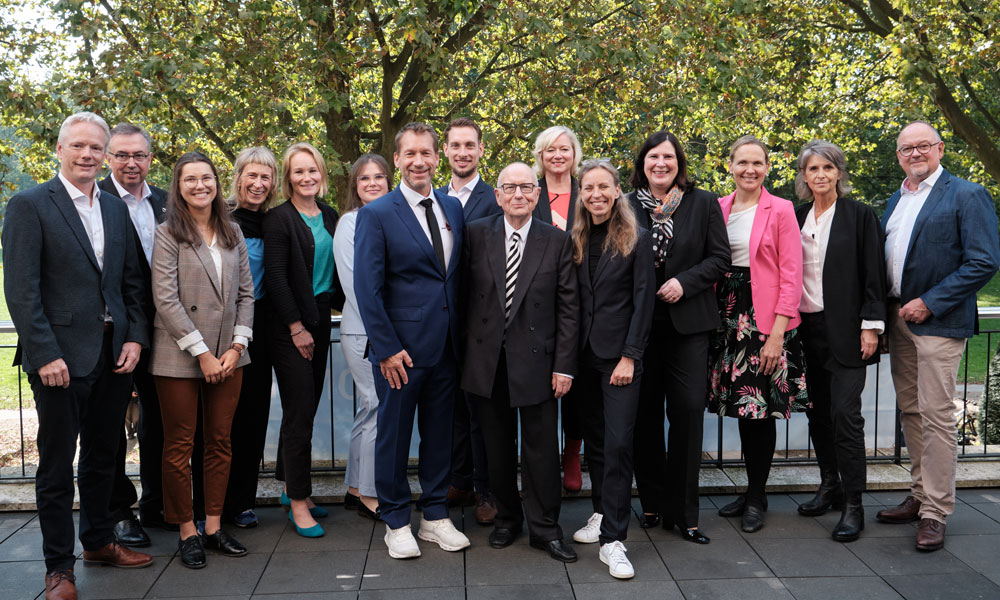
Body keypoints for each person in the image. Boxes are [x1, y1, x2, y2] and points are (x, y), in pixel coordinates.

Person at [3, 111, 153, 600]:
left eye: (96, 148)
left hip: (113, 354)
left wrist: (133, 338)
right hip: (59, 360)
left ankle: (98, 542)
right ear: (61, 149)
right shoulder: (29, 205)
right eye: (79, 146)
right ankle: (58, 569)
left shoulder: (114, 208)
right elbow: (22, 291)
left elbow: (130, 281)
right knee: (54, 466)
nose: (87, 155)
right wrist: (44, 352)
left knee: (102, 460)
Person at [875, 121, 1000, 551]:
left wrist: (929, 301)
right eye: (906, 149)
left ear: (940, 149)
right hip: (899, 321)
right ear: (898, 155)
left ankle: (935, 512)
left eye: (922, 146)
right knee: (911, 413)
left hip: (938, 323)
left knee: (937, 417)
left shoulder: (967, 195)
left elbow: (984, 261)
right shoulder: (897, 198)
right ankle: (918, 494)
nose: (914, 154)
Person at [355, 122, 470, 559]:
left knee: (440, 436)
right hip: (399, 352)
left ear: (437, 158)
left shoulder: (451, 208)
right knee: (394, 436)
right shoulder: (377, 213)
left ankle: (435, 515)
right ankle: (397, 520)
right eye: (410, 154)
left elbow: (452, 278)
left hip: (446, 349)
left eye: (427, 153)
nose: (419, 161)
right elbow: (368, 288)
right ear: (398, 159)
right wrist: (385, 348)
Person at [460, 162, 579, 563]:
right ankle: (507, 519)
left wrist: (564, 365)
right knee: (496, 448)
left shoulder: (556, 240)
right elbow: (461, 299)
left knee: (541, 451)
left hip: (539, 364)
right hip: (487, 362)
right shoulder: (475, 234)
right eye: (509, 188)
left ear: (538, 194)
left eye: (527, 188)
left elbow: (569, 310)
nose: (518, 195)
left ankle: (545, 528)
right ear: (497, 195)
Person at [150, 151, 253, 568]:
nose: (199, 185)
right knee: (179, 446)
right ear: (178, 186)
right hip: (179, 354)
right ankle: (186, 530)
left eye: (206, 178)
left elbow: (247, 293)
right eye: (190, 179)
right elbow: (166, 299)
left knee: (220, 442)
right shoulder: (167, 233)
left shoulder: (233, 232)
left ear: (216, 182)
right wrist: (203, 354)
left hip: (230, 356)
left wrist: (236, 347)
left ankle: (212, 525)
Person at [627, 131, 730, 544]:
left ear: (679, 163)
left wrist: (684, 283)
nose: (661, 164)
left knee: (687, 414)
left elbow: (720, 257)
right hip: (641, 328)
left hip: (688, 325)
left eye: (668, 157)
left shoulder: (702, 203)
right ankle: (651, 503)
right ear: (643, 163)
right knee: (644, 418)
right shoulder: (628, 204)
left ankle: (685, 514)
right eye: (653, 157)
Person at [709, 135, 809, 533]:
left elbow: (792, 273)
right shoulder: (717, 208)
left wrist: (776, 334)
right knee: (740, 408)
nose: (749, 169)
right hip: (727, 314)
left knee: (758, 409)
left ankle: (757, 496)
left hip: (763, 319)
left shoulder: (781, 209)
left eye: (758, 163)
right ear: (729, 166)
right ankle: (751, 490)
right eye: (742, 162)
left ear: (767, 168)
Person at [793, 140, 887, 542]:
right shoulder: (795, 216)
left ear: (839, 173)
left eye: (827, 168)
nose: (820, 175)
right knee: (817, 413)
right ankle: (829, 484)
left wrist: (871, 326)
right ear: (804, 176)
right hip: (806, 331)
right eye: (812, 169)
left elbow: (874, 274)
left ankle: (854, 503)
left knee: (846, 417)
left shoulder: (859, 216)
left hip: (849, 332)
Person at [569, 159, 654, 579]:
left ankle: (614, 541)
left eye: (604, 187)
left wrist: (630, 355)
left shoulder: (637, 237)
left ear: (618, 190)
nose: (596, 194)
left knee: (620, 445)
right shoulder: (577, 236)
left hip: (620, 360)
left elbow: (644, 301)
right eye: (588, 188)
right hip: (583, 361)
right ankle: (602, 513)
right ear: (580, 192)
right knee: (598, 445)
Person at [97, 123, 172, 547]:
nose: (131, 163)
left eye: (139, 155)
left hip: (164, 331)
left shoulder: (165, 201)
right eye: (122, 155)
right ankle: (119, 510)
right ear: (109, 157)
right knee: (109, 428)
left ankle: (158, 504)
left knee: (160, 425)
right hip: (117, 332)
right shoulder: (96, 200)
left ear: (150, 158)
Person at [263, 142, 340, 537]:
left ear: (321, 173)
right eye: (298, 172)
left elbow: (338, 270)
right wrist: (296, 327)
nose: (306, 177)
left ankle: (291, 486)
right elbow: (276, 278)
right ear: (287, 178)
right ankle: (298, 502)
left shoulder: (329, 214)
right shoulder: (279, 219)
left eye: (312, 170)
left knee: (304, 409)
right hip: (289, 326)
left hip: (321, 318)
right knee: (299, 411)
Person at [437, 117, 501, 523]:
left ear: (481, 151)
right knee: (450, 409)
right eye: (455, 145)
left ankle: (488, 491)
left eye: (469, 145)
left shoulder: (496, 198)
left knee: (483, 411)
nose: (462, 152)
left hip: (483, 323)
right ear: (446, 151)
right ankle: (458, 479)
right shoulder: (434, 199)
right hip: (441, 323)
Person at [223, 146, 279, 528]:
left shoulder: (275, 222)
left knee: (252, 418)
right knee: (218, 422)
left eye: (266, 177)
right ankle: (210, 501)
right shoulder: (219, 218)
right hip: (222, 332)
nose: (258, 184)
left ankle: (241, 500)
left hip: (262, 332)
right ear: (238, 176)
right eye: (252, 176)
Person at [335, 153, 391, 521]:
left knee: (368, 409)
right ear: (355, 186)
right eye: (364, 178)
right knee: (377, 407)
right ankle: (371, 494)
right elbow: (356, 285)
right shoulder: (350, 223)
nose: (372, 183)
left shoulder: (391, 218)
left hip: (379, 330)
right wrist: (388, 330)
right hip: (364, 331)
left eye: (379, 177)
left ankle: (355, 488)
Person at [530, 124, 586, 491]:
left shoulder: (588, 192)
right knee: (540, 387)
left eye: (564, 149)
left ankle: (572, 452)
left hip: (584, 295)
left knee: (578, 385)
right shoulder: (529, 194)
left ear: (574, 155)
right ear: (540, 156)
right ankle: (542, 458)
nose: (557, 155)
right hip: (538, 301)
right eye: (550, 149)